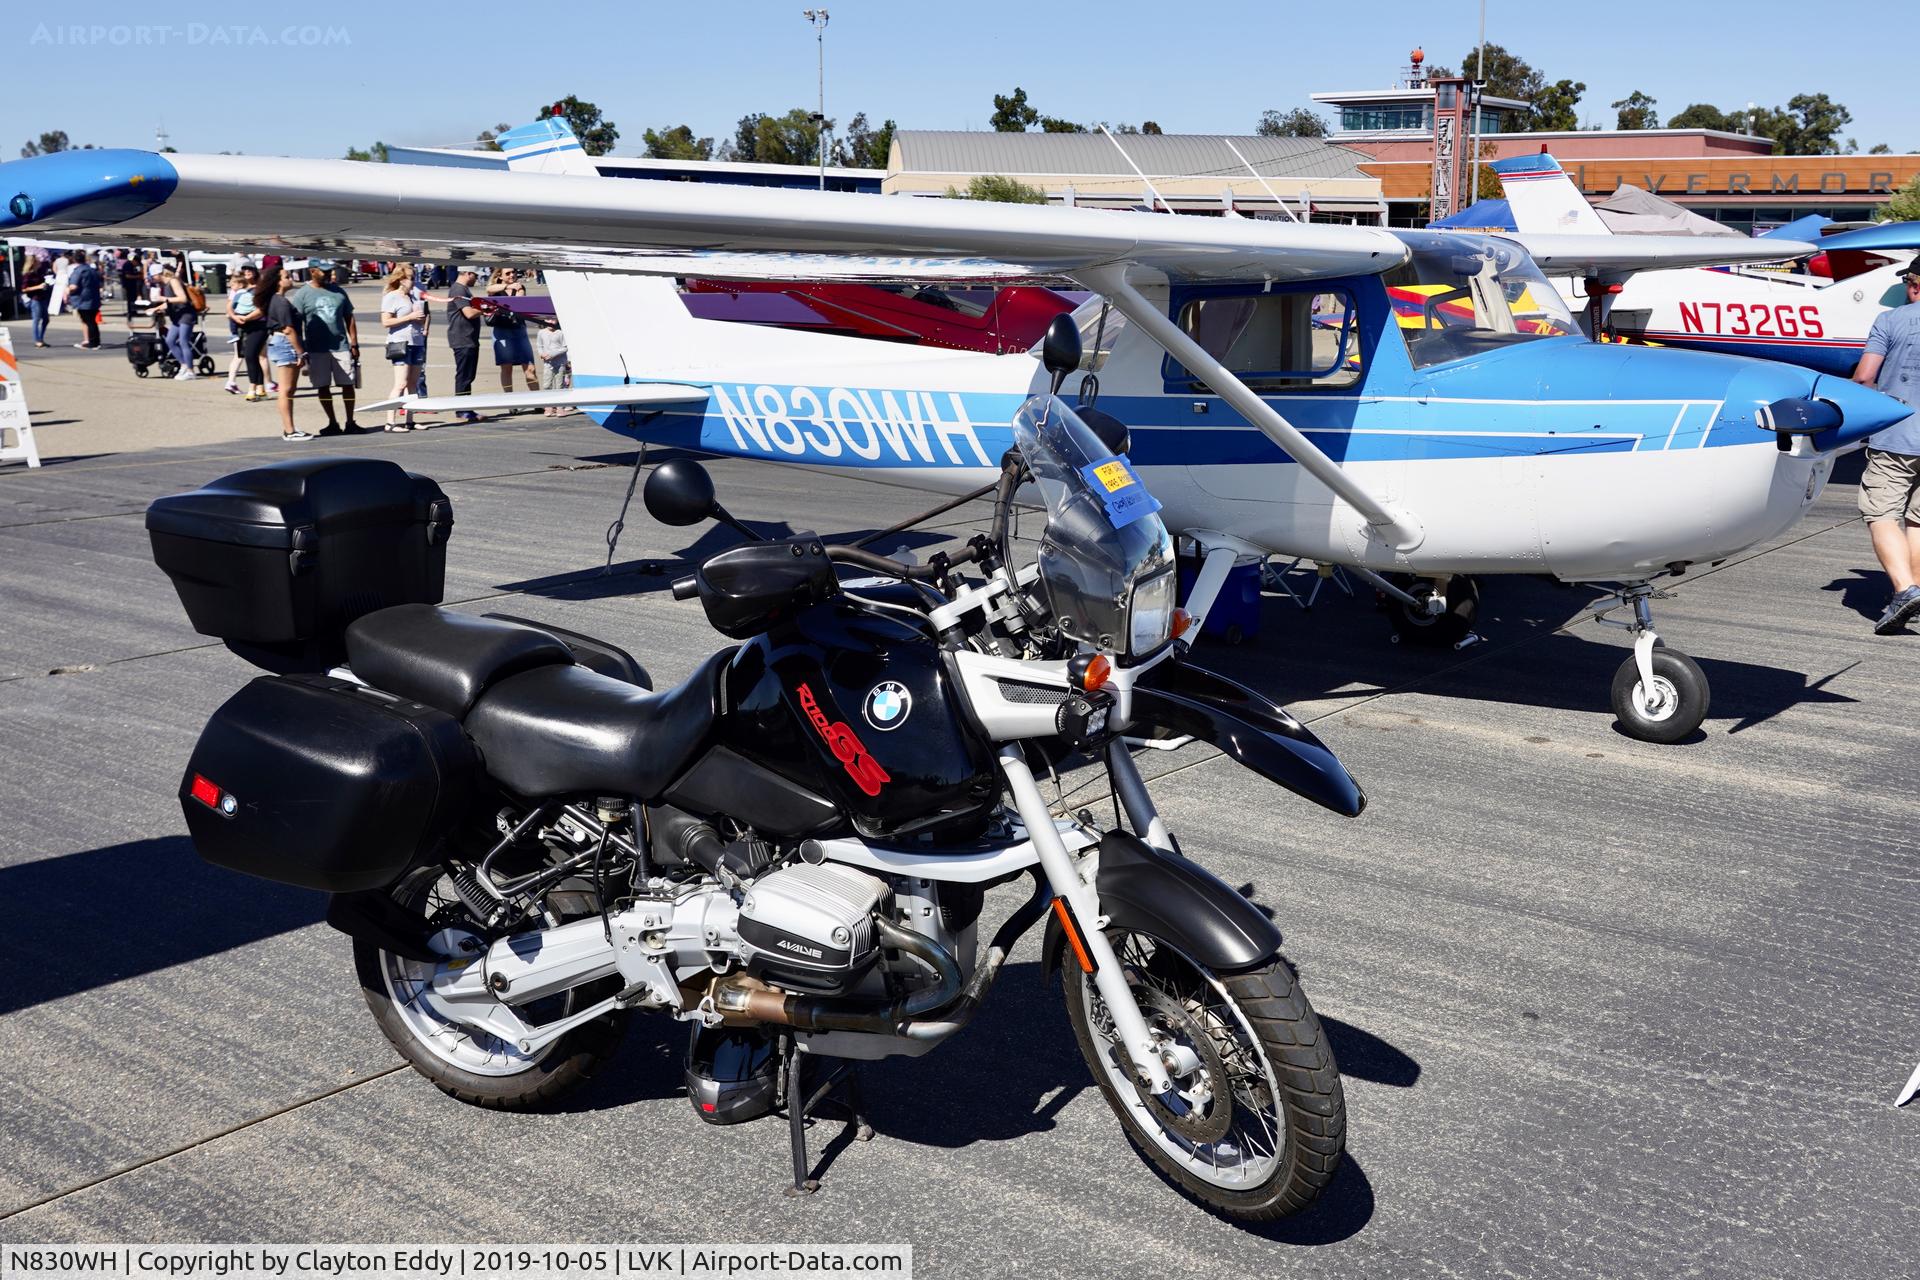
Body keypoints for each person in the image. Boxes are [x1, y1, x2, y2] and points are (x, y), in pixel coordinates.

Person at [1851, 256, 1920, 634]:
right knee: (1919, 519)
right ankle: (1916, 589)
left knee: (1881, 512)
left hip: (1898, 433)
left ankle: (1904, 590)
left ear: (1914, 284)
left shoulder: (1891, 320)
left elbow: (1864, 378)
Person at [289, 263, 364, 434]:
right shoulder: (302, 294)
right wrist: (300, 349)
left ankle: (350, 422)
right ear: (312, 271)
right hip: (316, 348)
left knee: (347, 384)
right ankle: (332, 423)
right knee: (323, 386)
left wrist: (354, 342)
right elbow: (297, 323)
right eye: (324, 271)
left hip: (341, 345)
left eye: (330, 271)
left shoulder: (338, 291)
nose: (329, 274)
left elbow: (349, 317)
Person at [260, 267, 310, 440]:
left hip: (281, 342)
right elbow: (288, 329)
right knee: (286, 390)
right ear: (277, 281)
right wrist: (300, 352)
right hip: (285, 343)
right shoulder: (279, 301)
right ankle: (289, 430)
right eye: (286, 277)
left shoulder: (276, 300)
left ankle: (290, 428)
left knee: (289, 390)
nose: (290, 279)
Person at [379, 265, 428, 431]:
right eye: (409, 277)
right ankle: (390, 422)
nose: (413, 281)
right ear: (400, 279)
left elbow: (419, 318)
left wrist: (420, 319)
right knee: (400, 383)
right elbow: (386, 322)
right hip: (400, 342)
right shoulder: (392, 297)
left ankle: (410, 419)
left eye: (414, 277)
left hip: (417, 341)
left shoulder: (412, 297)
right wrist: (410, 317)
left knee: (413, 384)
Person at [487, 266, 538, 396]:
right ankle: (510, 400)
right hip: (502, 330)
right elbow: (489, 289)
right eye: (507, 273)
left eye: (513, 272)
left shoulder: (519, 287)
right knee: (506, 367)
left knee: (530, 367)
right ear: (500, 276)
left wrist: (517, 289)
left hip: (519, 329)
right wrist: (507, 287)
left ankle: (538, 399)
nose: (511, 275)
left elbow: (519, 301)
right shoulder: (496, 289)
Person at [443, 267, 484, 422]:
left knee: (468, 375)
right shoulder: (458, 290)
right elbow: (469, 313)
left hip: (469, 338)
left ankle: (466, 407)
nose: (477, 279)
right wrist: (485, 308)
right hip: (462, 339)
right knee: (464, 376)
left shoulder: (463, 289)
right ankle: (462, 410)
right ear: (468, 274)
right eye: (476, 276)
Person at [149, 266, 199, 378]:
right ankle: (184, 365)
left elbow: (183, 298)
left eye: (152, 275)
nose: (152, 278)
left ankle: (190, 371)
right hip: (177, 316)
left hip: (186, 315)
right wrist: (155, 308)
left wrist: (163, 299)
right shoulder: (165, 284)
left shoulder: (173, 281)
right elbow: (169, 302)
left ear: (158, 274)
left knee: (183, 341)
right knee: (170, 340)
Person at [230, 267, 271, 401]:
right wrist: (234, 317)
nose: (247, 272)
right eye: (245, 270)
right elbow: (229, 306)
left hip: (259, 325)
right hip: (243, 325)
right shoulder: (239, 288)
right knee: (253, 356)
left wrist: (246, 318)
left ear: (255, 273)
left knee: (250, 355)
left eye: (250, 270)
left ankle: (252, 388)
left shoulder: (261, 288)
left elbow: (261, 310)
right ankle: (260, 388)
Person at [64, 254, 103, 348]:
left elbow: (74, 286)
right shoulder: (92, 270)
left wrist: (67, 290)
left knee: (88, 321)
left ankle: (93, 343)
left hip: (83, 300)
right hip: (93, 298)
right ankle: (94, 341)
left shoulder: (78, 271)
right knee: (92, 321)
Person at [535, 317, 569, 416]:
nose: (551, 322)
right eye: (548, 319)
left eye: (553, 320)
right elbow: (539, 346)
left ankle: (560, 407)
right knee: (547, 385)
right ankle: (548, 407)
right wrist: (541, 354)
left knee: (559, 385)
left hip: (560, 363)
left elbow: (565, 347)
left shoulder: (560, 332)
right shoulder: (541, 332)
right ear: (544, 320)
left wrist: (553, 354)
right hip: (548, 363)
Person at [19, 252, 52, 347]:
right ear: (33, 262)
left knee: (46, 319)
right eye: (37, 261)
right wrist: (38, 287)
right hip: (35, 299)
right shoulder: (28, 274)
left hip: (42, 297)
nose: (39, 262)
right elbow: (24, 288)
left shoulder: (38, 272)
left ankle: (40, 338)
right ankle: (37, 340)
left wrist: (46, 285)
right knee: (36, 320)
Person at [117, 253, 144, 323]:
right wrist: (138, 276)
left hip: (132, 284)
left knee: (133, 298)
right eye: (137, 263)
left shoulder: (131, 265)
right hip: (128, 285)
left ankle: (134, 311)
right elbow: (127, 276)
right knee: (130, 299)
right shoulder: (128, 265)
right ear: (134, 260)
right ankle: (131, 312)